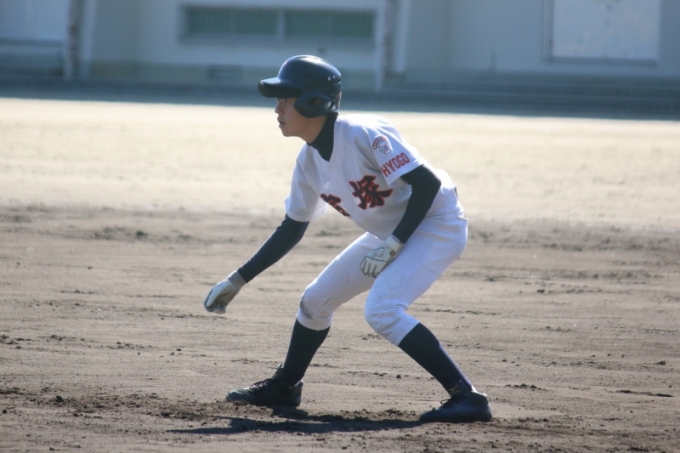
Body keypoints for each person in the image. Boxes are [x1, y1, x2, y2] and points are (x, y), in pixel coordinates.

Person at [203, 55, 492, 423]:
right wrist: (238, 279)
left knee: (382, 309)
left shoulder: (362, 134)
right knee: (314, 301)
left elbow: (426, 184)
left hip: (437, 223)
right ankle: (286, 385)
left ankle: (468, 397)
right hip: (392, 233)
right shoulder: (308, 162)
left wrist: (393, 245)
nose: (277, 109)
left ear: (313, 102)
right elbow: (292, 228)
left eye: (286, 100)